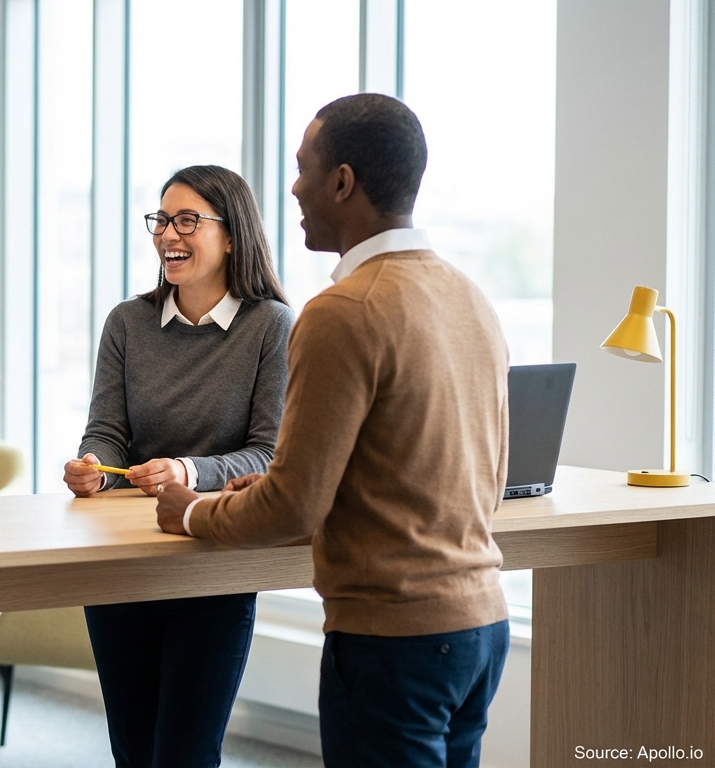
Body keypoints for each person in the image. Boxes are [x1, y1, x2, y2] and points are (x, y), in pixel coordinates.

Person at [156, 94, 510, 767]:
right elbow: (458, 472)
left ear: (342, 182)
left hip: (394, 638)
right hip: (480, 626)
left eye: (303, 167)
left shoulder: (343, 311)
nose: (294, 187)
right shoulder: (470, 296)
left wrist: (194, 512)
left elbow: (296, 505)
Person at [63, 165, 294, 768]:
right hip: (121, 560)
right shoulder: (127, 322)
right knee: (134, 751)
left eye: (187, 220)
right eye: (161, 220)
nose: (169, 234)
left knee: (187, 754)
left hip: (212, 558)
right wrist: (94, 464)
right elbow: (108, 431)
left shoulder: (271, 326)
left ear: (233, 235)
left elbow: (270, 454)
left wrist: (186, 473)